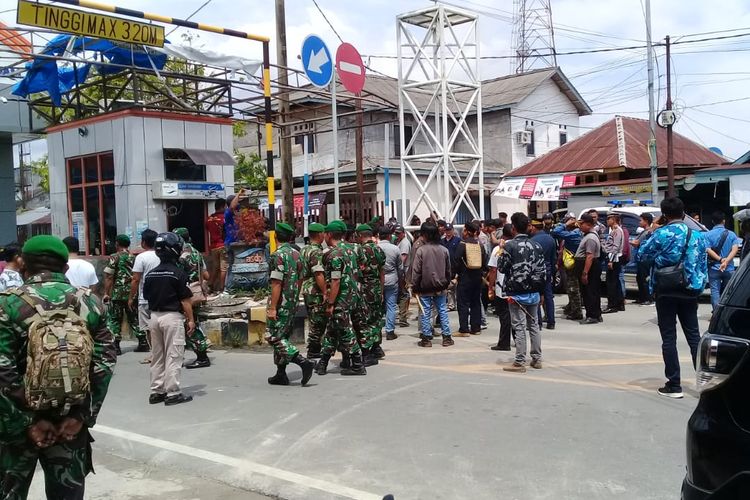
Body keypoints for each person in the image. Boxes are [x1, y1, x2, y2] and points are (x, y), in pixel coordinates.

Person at [0, 235, 116, 498]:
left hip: (17, 429)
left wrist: (29, 422)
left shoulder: (7, 304)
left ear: (22, 265)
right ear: (65, 268)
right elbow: (105, 364)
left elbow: (2, 372)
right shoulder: (90, 303)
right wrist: (81, 416)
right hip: (70, 423)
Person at [638, 197, 708, 399]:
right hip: (689, 290)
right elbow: (702, 265)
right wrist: (697, 285)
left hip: (666, 290)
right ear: (683, 212)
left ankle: (674, 384)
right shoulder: (696, 235)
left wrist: (653, 232)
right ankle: (705, 384)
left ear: (665, 215)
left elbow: (642, 255)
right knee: (694, 337)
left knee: (669, 338)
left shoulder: (661, 233)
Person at [143, 232, 195, 405]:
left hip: (154, 317)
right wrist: (191, 320)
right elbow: (185, 300)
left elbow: (147, 296)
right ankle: (173, 393)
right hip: (172, 317)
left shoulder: (150, 275)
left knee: (157, 355)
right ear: (174, 250)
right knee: (174, 355)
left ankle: (156, 391)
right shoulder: (178, 273)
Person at [265, 223, 315, 386]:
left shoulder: (277, 255)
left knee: (273, 336)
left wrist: (273, 307)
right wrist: (293, 297)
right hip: (292, 300)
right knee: (283, 335)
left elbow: (276, 283)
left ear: (275, 236)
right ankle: (281, 373)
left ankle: (302, 362)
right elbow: (300, 279)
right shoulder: (297, 254)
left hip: (280, 302)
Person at [316, 220, 366, 376]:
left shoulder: (334, 255)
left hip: (341, 298)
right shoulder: (352, 249)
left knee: (344, 329)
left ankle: (357, 363)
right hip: (354, 296)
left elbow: (335, 281)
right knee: (332, 328)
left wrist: (330, 302)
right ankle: (323, 362)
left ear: (329, 235)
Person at [497, 213, 546, 372]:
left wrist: (501, 249)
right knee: (534, 326)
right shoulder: (537, 245)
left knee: (519, 327)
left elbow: (502, 268)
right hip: (534, 292)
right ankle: (537, 359)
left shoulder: (510, 246)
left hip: (517, 293)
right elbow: (543, 271)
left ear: (513, 228)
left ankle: (519, 361)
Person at [173, 227, 211, 370]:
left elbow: (178, 275)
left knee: (190, 324)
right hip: (196, 292)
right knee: (193, 322)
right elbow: (206, 275)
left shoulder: (183, 256)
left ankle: (202, 356)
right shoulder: (196, 253)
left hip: (187, 293)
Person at [103, 234, 147, 355]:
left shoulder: (114, 257)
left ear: (117, 243)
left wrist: (106, 293)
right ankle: (143, 341)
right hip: (132, 292)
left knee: (115, 319)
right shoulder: (134, 257)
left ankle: (116, 346)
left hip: (117, 293)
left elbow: (109, 276)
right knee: (134, 317)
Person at [411, 223, 453, 347]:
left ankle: (426, 338)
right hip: (441, 286)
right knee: (442, 310)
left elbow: (416, 271)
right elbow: (448, 270)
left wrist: (415, 286)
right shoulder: (444, 250)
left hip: (424, 287)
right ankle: (446, 337)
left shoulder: (421, 251)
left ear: (424, 235)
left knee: (425, 312)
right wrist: (446, 282)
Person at [357, 224, 386, 365]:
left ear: (360, 236)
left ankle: (367, 352)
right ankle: (377, 347)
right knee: (376, 318)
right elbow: (382, 272)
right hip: (375, 287)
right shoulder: (378, 250)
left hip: (364, 288)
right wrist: (380, 290)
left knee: (365, 320)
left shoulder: (360, 251)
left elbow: (358, 273)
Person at [129, 229, 160, 356]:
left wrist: (131, 297)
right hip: (161, 296)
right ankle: (161, 353)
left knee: (148, 328)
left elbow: (136, 279)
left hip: (145, 298)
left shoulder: (141, 257)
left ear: (144, 242)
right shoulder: (162, 254)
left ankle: (155, 354)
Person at [453, 221, 486, 336]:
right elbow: (485, 263)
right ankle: (476, 328)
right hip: (477, 278)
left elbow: (456, 261)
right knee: (475, 302)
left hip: (464, 278)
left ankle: (464, 329)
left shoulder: (462, 244)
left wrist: (454, 275)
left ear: (467, 231)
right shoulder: (479, 245)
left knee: (463, 303)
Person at [300, 222, 328, 358]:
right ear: (319, 234)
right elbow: (318, 274)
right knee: (318, 320)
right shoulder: (316, 251)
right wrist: (324, 292)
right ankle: (314, 349)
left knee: (313, 319)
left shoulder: (304, 249)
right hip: (315, 290)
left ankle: (314, 347)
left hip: (306, 289)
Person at [705, 210, 741, 311]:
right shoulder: (732, 234)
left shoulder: (707, 235)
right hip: (729, 267)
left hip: (714, 268)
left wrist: (720, 260)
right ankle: (725, 313)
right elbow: (735, 249)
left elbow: (707, 249)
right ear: (724, 221)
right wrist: (726, 261)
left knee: (715, 292)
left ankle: (716, 313)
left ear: (712, 221)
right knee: (728, 292)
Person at [487, 223, 514, 351]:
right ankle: (519, 341)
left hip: (502, 286)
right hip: (518, 286)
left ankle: (504, 343)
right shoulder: (521, 246)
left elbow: (493, 270)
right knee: (517, 316)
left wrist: (490, 287)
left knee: (504, 315)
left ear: (503, 235)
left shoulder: (498, 249)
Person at [551, 213, 583, 320]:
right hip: (576, 263)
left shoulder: (574, 234)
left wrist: (565, 224)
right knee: (573, 287)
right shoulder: (577, 232)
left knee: (573, 288)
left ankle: (576, 311)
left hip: (573, 264)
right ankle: (572, 306)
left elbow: (555, 232)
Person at [576, 214, 603, 325]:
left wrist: (585, 273)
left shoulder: (591, 237)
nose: (580, 226)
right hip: (589, 265)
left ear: (589, 224)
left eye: (582, 224)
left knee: (589, 292)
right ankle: (596, 314)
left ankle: (592, 315)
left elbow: (589, 256)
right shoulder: (588, 235)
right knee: (592, 291)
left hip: (590, 267)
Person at [530, 219, 557, 330]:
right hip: (548, 270)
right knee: (548, 296)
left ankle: (538, 322)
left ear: (534, 227)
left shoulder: (532, 240)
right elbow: (553, 258)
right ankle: (551, 321)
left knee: (536, 296)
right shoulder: (550, 239)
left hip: (536, 271)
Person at [378, 226, 403, 342]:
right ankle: (390, 331)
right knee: (391, 305)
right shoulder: (395, 249)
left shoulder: (375, 247)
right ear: (389, 236)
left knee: (377, 306)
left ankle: (377, 330)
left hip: (378, 279)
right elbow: (400, 268)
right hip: (392, 278)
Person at [602, 213, 626, 314]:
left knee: (611, 283)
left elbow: (615, 247)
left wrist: (611, 260)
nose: (607, 221)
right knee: (615, 282)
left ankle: (612, 305)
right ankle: (619, 303)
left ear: (614, 220)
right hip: (614, 258)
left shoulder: (616, 231)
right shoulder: (615, 230)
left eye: (609, 219)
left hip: (614, 259)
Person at [631, 213, 655, 305]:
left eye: (641, 220)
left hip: (645, 259)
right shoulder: (644, 231)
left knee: (644, 279)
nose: (639, 222)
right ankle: (641, 297)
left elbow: (637, 243)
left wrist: (632, 242)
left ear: (646, 221)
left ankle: (648, 298)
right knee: (639, 278)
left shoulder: (647, 232)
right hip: (640, 258)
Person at [223, 190, 244, 290]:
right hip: (231, 243)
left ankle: (233, 286)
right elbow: (232, 206)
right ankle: (228, 287)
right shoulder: (228, 213)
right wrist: (238, 194)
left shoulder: (235, 215)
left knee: (236, 266)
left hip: (236, 243)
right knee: (231, 266)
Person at [205, 198, 227, 293]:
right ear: (222, 206)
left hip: (213, 247)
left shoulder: (208, 219)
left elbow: (208, 230)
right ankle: (222, 288)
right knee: (223, 268)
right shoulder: (224, 218)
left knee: (215, 267)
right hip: (223, 245)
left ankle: (210, 285)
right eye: (225, 206)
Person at [395, 226, 412, 328]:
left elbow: (403, 259)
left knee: (404, 294)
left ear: (403, 233)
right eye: (396, 233)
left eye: (398, 233)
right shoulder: (401, 242)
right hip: (402, 271)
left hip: (404, 272)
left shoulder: (405, 243)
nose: (397, 235)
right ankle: (403, 316)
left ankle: (403, 317)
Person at [441, 223, 462, 311]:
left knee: (457, 286)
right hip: (446, 266)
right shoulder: (442, 241)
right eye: (446, 230)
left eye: (449, 230)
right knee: (449, 287)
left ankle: (458, 303)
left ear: (453, 230)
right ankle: (451, 305)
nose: (448, 232)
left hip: (456, 265)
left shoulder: (458, 240)